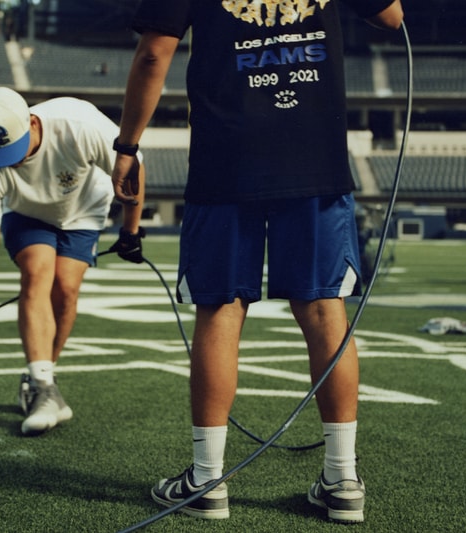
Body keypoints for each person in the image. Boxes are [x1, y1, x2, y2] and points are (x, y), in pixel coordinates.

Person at [111, 0, 403, 523]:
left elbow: (154, 55)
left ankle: (206, 481)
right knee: (323, 308)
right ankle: (341, 479)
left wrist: (128, 144)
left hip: (226, 156)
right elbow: (392, 17)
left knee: (221, 308)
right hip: (314, 154)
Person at [0, 87, 145, 436]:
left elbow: (133, 166)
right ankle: (42, 384)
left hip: (86, 208)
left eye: (16, 150)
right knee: (37, 273)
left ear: (33, 123)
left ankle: (44, 378)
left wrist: (130, 231)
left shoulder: (79, 124)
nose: (11, 162)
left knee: (66, 289)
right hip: (26, 211)